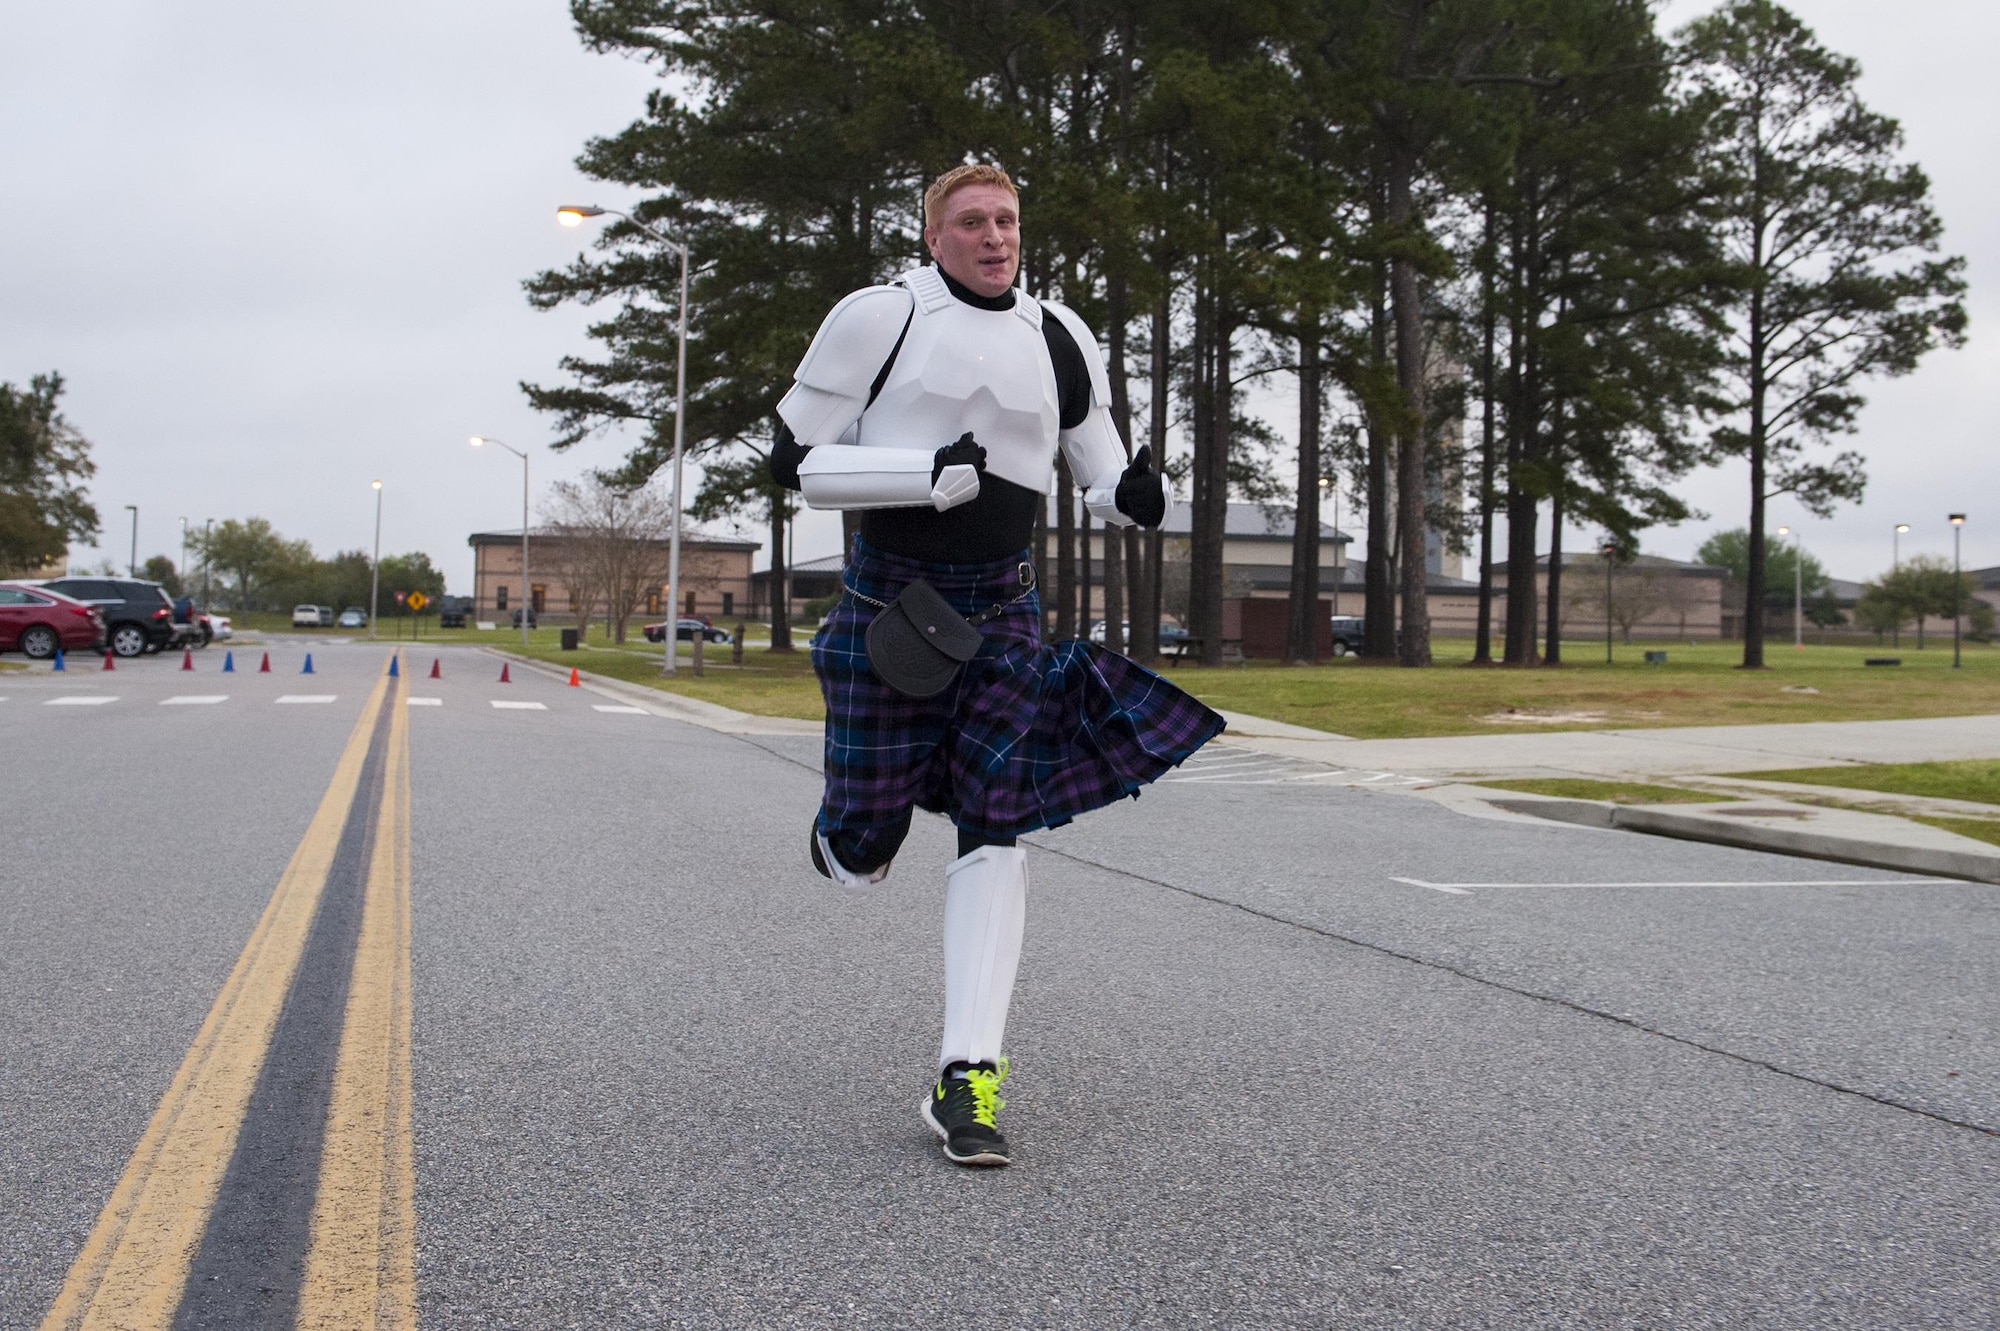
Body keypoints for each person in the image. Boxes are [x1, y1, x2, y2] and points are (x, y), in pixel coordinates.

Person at [769, 163, 1224, 1167]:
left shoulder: (1057, 336)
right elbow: (791, 459)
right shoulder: (878, 318)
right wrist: (915, 477)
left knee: (998, 825)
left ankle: (966, 1073)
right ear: (934, 235)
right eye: (970, 221)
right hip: (891, 601)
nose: (992, 235)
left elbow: (1095, 468)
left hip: (1005, 611)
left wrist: (1133, 498)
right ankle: (848, 831)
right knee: (861, 851)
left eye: (1005, 219)